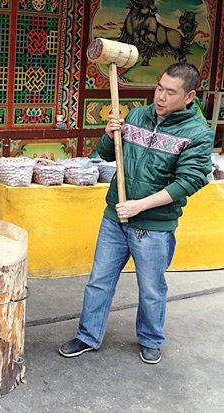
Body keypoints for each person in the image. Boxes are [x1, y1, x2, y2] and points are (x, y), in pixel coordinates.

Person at [59, 62, 213, 365]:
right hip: (115, 217)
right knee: (99, 281)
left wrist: (140, 205)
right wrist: (108, 133)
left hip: (153, 226)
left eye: (171, 92)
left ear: (189, 96)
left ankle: (150, 338)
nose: (161, 97)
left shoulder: (197, 133)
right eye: (159, 88)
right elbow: (105, 153)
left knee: (151, 287)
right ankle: (88, 335)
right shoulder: (138, 115)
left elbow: (189, 181)